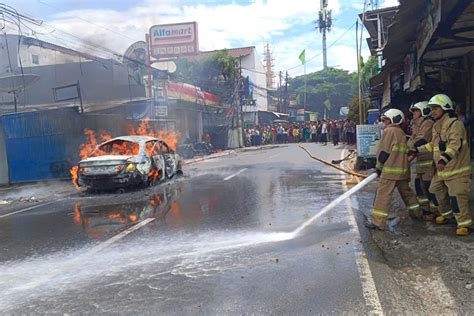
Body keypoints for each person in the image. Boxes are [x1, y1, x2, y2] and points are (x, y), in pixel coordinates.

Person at [414, 94, 472, 236]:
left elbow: (454, 145)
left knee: (457, 197)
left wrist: (442, 160)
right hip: (443, 171)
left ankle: (464, 224)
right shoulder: (437, 125)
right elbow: (434, 145)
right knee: (433, 191)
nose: (432, 111)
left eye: (435, 108)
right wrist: (416, 149)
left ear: (445, 108)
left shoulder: (455, 124)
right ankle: (447, 215)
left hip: (456, 170)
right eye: (432, 109)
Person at [368, 109, 421, 230]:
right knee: (407, 193)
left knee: (383, 195)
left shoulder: (389, 131)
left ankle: (378, 222)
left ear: (393, 119)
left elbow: (384, 152)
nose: (384, 122)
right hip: (402, 171)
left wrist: (379, 168)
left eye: (386, 120)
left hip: (390, 171)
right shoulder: (401, 133)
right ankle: (417, 213)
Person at [407, 101, 437, 221]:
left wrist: (410, 150)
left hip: (429, 159)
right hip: (420, 160)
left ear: (424, 111)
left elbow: (421, 139)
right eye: (413, 111)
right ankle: (426, 209)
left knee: (429, 186)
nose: (414, 113)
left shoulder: (428, 123)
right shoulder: (416, 124)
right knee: (419, 186)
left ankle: (436, 211)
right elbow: (412, 139)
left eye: (416, 111)